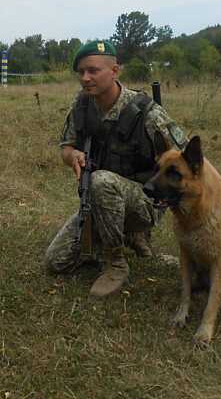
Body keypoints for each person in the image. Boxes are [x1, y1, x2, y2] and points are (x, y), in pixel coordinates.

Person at [44, 40, 188, 298]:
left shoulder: (148, 113)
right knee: (56, 261)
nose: (85, 78)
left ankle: (116, 263)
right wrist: (73, 155)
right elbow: (65, 147)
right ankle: (130, 238)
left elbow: (186, 161)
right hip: (100, 204)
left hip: (145, 202)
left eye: (93, 70)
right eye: (81, 72)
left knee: (100, 181)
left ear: (115, 70)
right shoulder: (81, 107)